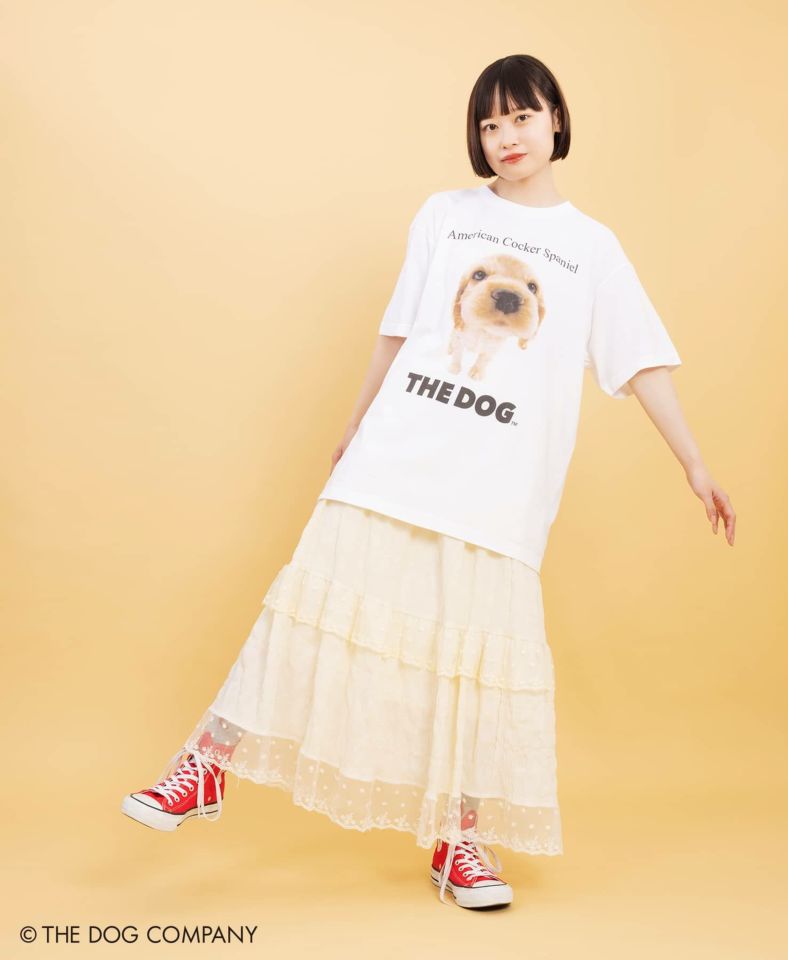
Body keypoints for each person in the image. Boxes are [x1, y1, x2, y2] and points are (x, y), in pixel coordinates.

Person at [121, 53, 736, 910]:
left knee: (476, 662)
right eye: (490, 123)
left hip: (502, 484)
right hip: (400, 454)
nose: (506, 136)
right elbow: (400, 330)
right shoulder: (446, 215)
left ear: (557, 119)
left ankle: (460, 840)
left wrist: (694, 463)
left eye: (522, 116)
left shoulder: (593, 248)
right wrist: (355, 424)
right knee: (309, 611)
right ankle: (207, 764)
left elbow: (639, 362)